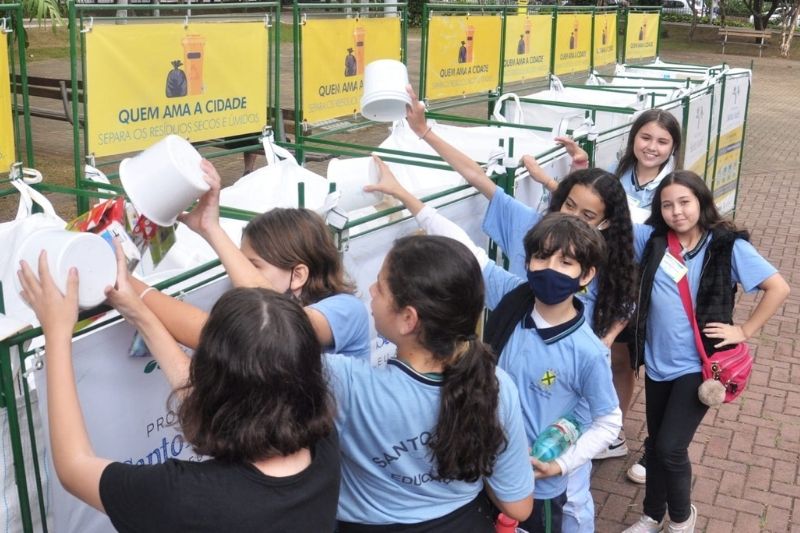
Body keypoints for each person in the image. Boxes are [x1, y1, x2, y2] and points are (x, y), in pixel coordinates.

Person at [401, 86, 632, 532]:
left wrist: (564, 464)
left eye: (565, 262)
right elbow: (467, 249)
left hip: (542, 484)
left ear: (586, 274)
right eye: (541, 258)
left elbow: (607, 419)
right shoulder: (513, 293)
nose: (549, 267)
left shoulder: (585, 349)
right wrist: (410, 198)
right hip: (489, 464)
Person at [17, 251, 341, 532]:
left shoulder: (186, 497)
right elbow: (227, 400)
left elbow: (74, 467)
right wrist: (139, 313)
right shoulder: (322, 441)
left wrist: (56, 333)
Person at [517, 107, 681, 484]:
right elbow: (580, 205)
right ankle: (585, 424)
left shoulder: (671, 188)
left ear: (673, 148)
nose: (651, 147)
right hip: (596, 280)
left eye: (662, 141)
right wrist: (560, 173)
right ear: (633, 138)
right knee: (595, 361)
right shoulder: (616, 175)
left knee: (620, 361)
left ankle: (613, 431)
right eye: (645, 137)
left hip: (627, 285)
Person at [329, 234, 534, 531]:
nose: (371, 291)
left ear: (408, 319)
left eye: (381, 288)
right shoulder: (496, 386)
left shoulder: (347, 383)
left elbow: (268, 330)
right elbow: (519, 506)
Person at [622, 171, 789, 533]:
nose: (676, 211)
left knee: (669, 448)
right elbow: (606, 212)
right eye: (667, 205)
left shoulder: (726, 246)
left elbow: (778, 287)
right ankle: (652, 516)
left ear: (701, 201)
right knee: (655, 447)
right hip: (656, 364)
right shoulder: (652, 241)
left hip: (699, 366)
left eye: (684, 202)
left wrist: (744, 330)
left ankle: (681, 520)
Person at [128, 159, 370, 360]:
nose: (238, 276)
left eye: (252, 266)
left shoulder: (346, 310)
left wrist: (126, 282)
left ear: (298, 275)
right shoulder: (263, 320)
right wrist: (209, 228)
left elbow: (266, 328)